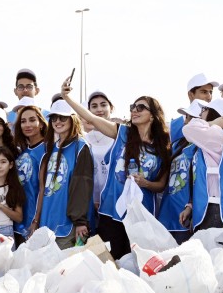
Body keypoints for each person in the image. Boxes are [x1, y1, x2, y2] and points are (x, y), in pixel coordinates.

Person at [61, 80, 171, 259]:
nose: (134, 110)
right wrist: (67, 97)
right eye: (132, 107)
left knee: (136, 265)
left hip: (139, 218)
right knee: (108, 263)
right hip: (111, 212)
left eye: (140, 107)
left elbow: (161, 185)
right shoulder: (123, 134)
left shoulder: (162, 148)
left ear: (152, 115)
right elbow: (91, 119)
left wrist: (146, 183)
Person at [181, 97, 223, 230]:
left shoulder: (218, 134)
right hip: (218, 207)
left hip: (216, 209)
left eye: (205, 109)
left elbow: (188, 129)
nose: (200, 113)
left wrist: (213, 123)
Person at [36, 101, 94, 248]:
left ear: (72, 119)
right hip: (46, 224)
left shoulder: (81, 147)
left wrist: (80, 222)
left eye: (62, 117)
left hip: (67, 226)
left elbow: (82, 186)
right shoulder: (50, 149)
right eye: (54, 118)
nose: (57, 121)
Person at [159, 101, 201, 241]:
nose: (185, 122)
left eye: (190, 118)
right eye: (186, 117)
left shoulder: (203, 145)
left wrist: (191, 206)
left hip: (186, 213)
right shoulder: (177, 144)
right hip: (168, 209)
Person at [12, 104, 48, 243]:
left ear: (40, 124)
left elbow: (43, 188)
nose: (27, 124)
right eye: (23, 121)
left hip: (36, 220)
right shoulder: (22, 152)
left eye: (32, 120)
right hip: (18, 217)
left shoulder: (48, 149)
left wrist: (36, 219)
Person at [82, 90, 116, 210]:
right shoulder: (83, 140)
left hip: (114, 200)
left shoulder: (119, 137)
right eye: (94, 106)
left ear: (111, 108)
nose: (99, 109)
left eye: (103, 104)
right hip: (88, 202)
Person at [169, 73, 217, 143]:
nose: (209, 97)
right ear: (191, 94)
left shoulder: (217, 121)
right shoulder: (172, 126)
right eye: (204, 92)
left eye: (211, 92)